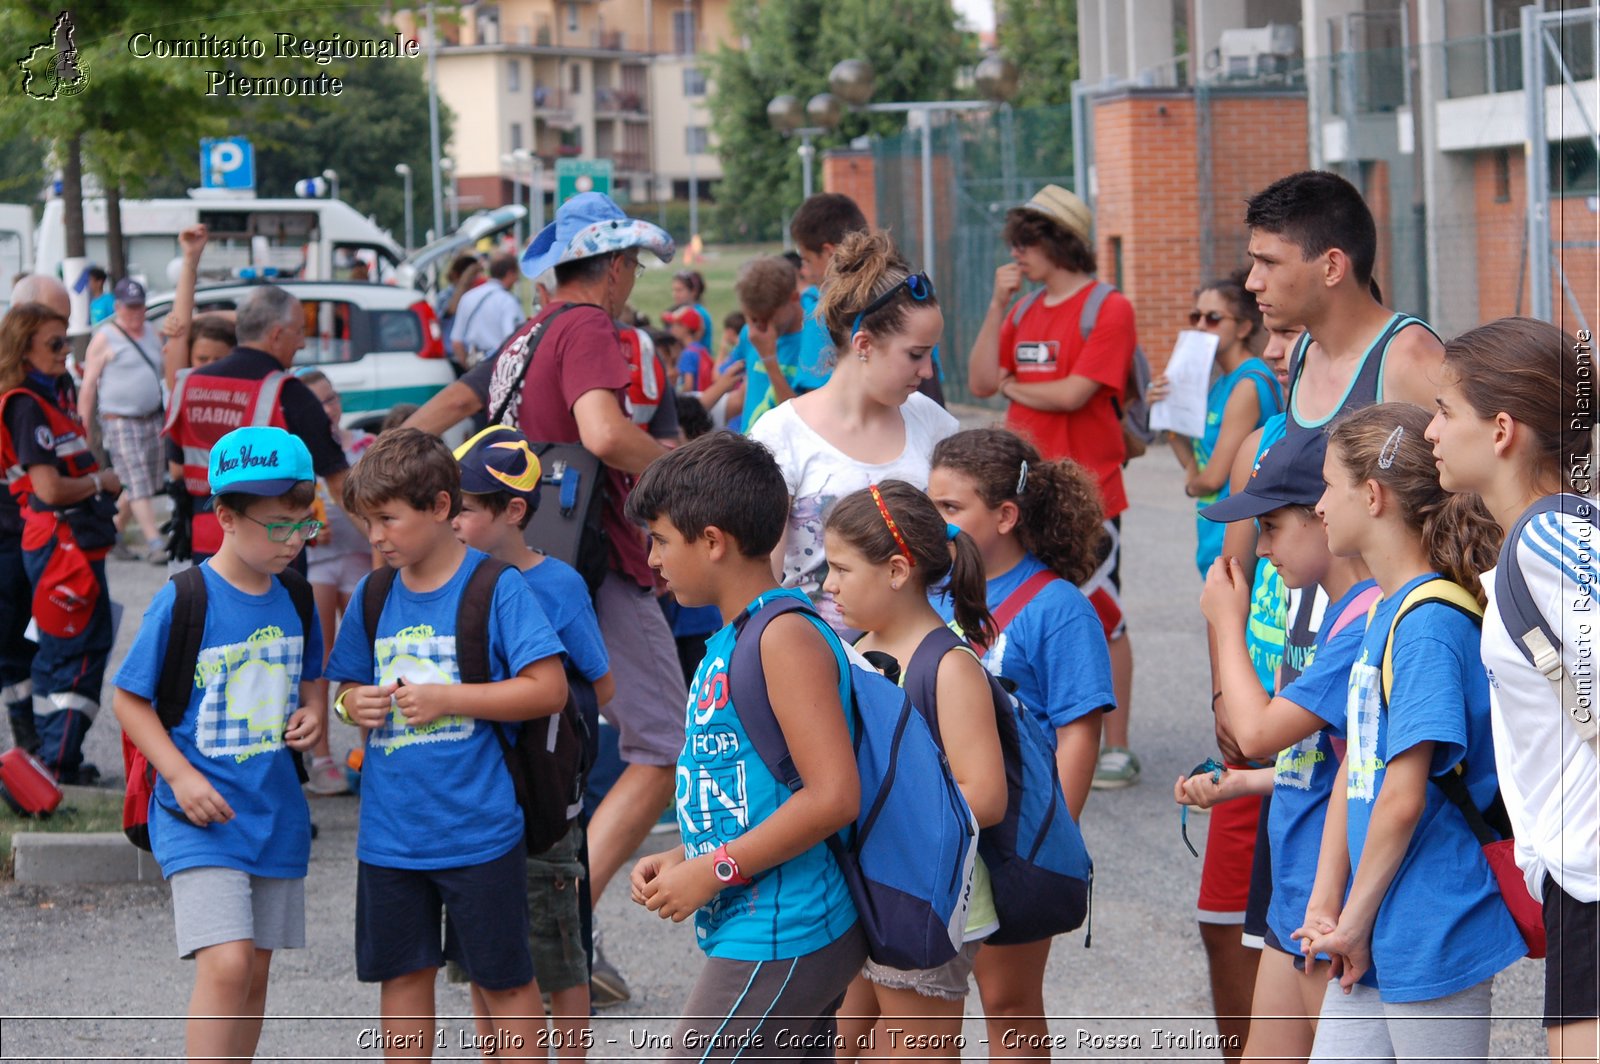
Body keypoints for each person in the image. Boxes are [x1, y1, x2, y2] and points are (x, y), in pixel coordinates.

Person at [403, 191, 679, 1007]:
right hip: (592, 562)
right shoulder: (594, 327)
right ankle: (563, 924)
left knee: (545, 752)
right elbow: (602, 433)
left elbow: (455, 403)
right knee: (661, 745)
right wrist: (687, 464)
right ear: (618, 266)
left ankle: (538, 932)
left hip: (521, 562)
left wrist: (393, 469)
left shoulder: (528, 333)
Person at [324, 428, 571, 1057]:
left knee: (505, 981)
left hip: (478, 829)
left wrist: (447, 698)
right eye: (367, 521)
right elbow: (346, 684)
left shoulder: (495, 587)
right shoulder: (376, 594)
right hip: (390, 833)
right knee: (402, 977)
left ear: (439, 507)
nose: (375, 536)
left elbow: (548, 689)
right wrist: (355, 703)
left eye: (386, 519)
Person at [624, 431, 867, 1056]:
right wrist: (688, 852)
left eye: (659, 539)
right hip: (763, 918)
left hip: (789, 924)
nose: (651, 558)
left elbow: (834, 796)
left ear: (712, 541)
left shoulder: (781, 637)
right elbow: (759, 786)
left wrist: (715, 868)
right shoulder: (737, 637)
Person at [1295, 403, 1523, 1059]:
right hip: (1369, 919)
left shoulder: (1426, 624)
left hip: (1427, 921)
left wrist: (1354, 920)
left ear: (1372, 496)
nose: (1318, 505)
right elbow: (1356, 765)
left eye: (1329, 484)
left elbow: (1401, 796)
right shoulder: (1388, 610)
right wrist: (1326, 904)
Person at [110, 426, 324, 1063]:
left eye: (303, 525)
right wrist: (178, 776)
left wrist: (315, 714)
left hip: (274, 812)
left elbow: (310, 675)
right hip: (196, 814)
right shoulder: (184, 600)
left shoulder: (297, 595)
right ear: (225, 516)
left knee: (255, 972)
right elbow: (129, 699)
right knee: (227, 964)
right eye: (278, 526)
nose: (293, 541)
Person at [1425, 317, 1600, 1063]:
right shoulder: (1554, 536)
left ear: (1501, 430)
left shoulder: (1550, 543)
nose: (1430, 430)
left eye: (1443, 411)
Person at [1186, 429, 1379, 1062]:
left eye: (1271, 527)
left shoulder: (1366, 619)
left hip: (1334, 903)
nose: (1262, 550)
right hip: (1295, 895)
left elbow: (1256, 731)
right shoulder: (1331, 613)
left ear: (1324, 515)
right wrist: (1247, 782)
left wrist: (1226, 625)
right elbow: (1329, 758)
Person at [926, 427, 1113, 1054]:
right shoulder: (929, 590)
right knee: (922, 999)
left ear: (1005, 515)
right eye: (931, 504)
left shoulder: (1057, 606)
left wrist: (1046, 843)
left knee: (1006, 1003)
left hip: (1013, 839)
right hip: (938, 827)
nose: (934, 520)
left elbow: (1080, 731)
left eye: (951, 508)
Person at [965, 184, 1141, 790]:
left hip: (1093, 494)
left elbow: (1075, 394)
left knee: (1101, 614)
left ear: (1059, 243)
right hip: (1027, 493)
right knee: (1025, 610)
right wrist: (996, 304)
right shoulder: (1020, 309)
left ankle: (1114, 745)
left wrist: (1014, 385)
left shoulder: (1107, 307)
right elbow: (983, 378)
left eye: (1028, 242)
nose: (1017, 254)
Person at [450, 423, 616, 1058]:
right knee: (480, 952)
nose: (451, 522)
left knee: (560, 952)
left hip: (545, 800)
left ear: (513, 511)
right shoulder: (451, 580)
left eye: (461, 510)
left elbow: (600, 687)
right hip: (473, 794)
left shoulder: (559, 585)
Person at [823, 481, 1004, 1057]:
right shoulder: (856, 646)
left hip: (926, 897)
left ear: (898, 570)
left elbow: (986, 795)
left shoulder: (949, 665)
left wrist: (878, 822)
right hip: (867, 888)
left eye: (841, 569)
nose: (828, 584)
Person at [749, 229, 957, 636]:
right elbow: (761, 583)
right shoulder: (780, 434)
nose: (928, 372)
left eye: (931, 354)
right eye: (916, 354)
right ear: (863, 343)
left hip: (920, 672)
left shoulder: (932, 422)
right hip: (819, 671)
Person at [0, 302, 119, 784]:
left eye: (66, 339)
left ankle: (53, 755)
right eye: (54, 342)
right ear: (23, 346)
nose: (64, 350)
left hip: (65, 541)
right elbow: (48, 489)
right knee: (75, 648)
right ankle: (54, 758)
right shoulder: (28, 404)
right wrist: (100, 483)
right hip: (60, 541)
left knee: (70, 644)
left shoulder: (50, 395)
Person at [1243, 171, 1443, 438]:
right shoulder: (1301, 354)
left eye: (1269, 263)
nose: (1252, 282)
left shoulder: (1410, 360)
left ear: (1332, 268)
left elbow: (1473, 473)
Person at [163, 285, 350, 568]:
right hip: (274, 546)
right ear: (276, 335)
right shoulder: (290, 394)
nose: (301, 343)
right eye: (299, 331)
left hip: (207, 541)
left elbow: (177, 469)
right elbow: (339, 482)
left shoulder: (188, 384)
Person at [1151, 271, 1282, 576]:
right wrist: (1167, 414)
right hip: (1213, 529)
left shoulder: (1247, 384)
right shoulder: (1221, 383)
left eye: (1212, 318)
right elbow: (1195, 459)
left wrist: (1192, 486)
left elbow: (1210, 478)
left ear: (1244, 327)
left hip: (1237, 534)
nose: (1199, 326)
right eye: (1194, 316)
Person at [296, 369, 374, 797]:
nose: (327, 409)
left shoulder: (364, 443)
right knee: (321, 661)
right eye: (317, 403)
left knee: (364, 658)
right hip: (320, 562)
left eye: (331, 399)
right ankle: (322, 756)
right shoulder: (297, 453)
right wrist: (309, 532)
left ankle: (369, 753)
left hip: (361, 557)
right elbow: (287, 520)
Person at [79, 278, 167, 562]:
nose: (136, 313)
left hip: (151, 418)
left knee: (141, 481)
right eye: (129, 308)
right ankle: (154, 543)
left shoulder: (153, 334)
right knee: (138, 481)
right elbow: (89, 385)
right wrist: (83, 426)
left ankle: (114, 530)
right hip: (119, 420)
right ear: (117, 307)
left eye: (140, 306)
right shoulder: (105, 337)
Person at [728, 255, 807, 432]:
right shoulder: (750, 332)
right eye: (753, 318)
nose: (760, 326)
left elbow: (801, 425)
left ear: (794, 298)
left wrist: (769, 358)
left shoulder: (812, 342)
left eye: (767, 318)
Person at [451, 251, 526, 371]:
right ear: (510, 273)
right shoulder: (508, 301)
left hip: (474, 365)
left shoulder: (468, 297)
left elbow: (456, 342)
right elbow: (514, 341)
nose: (517, 279)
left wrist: (469, 369)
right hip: (499, 367)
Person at [436, 253, 483, 353]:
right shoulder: (445, 295)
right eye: (473, 276)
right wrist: (465, 280)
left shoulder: (476, 296)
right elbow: (451, 310)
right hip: (452, 355)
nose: (475, 279)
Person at [663, 305, 713, 394]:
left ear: (685, 327)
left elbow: (688, 386)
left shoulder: (688, 353)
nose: (671, 329)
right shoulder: (700, 348)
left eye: (675, 325)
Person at [668, 269, 713, 352]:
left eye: (679, 290)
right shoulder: (685, 310)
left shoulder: (696, 313)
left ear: (693, 292)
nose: (675, 295)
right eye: (673, 290)